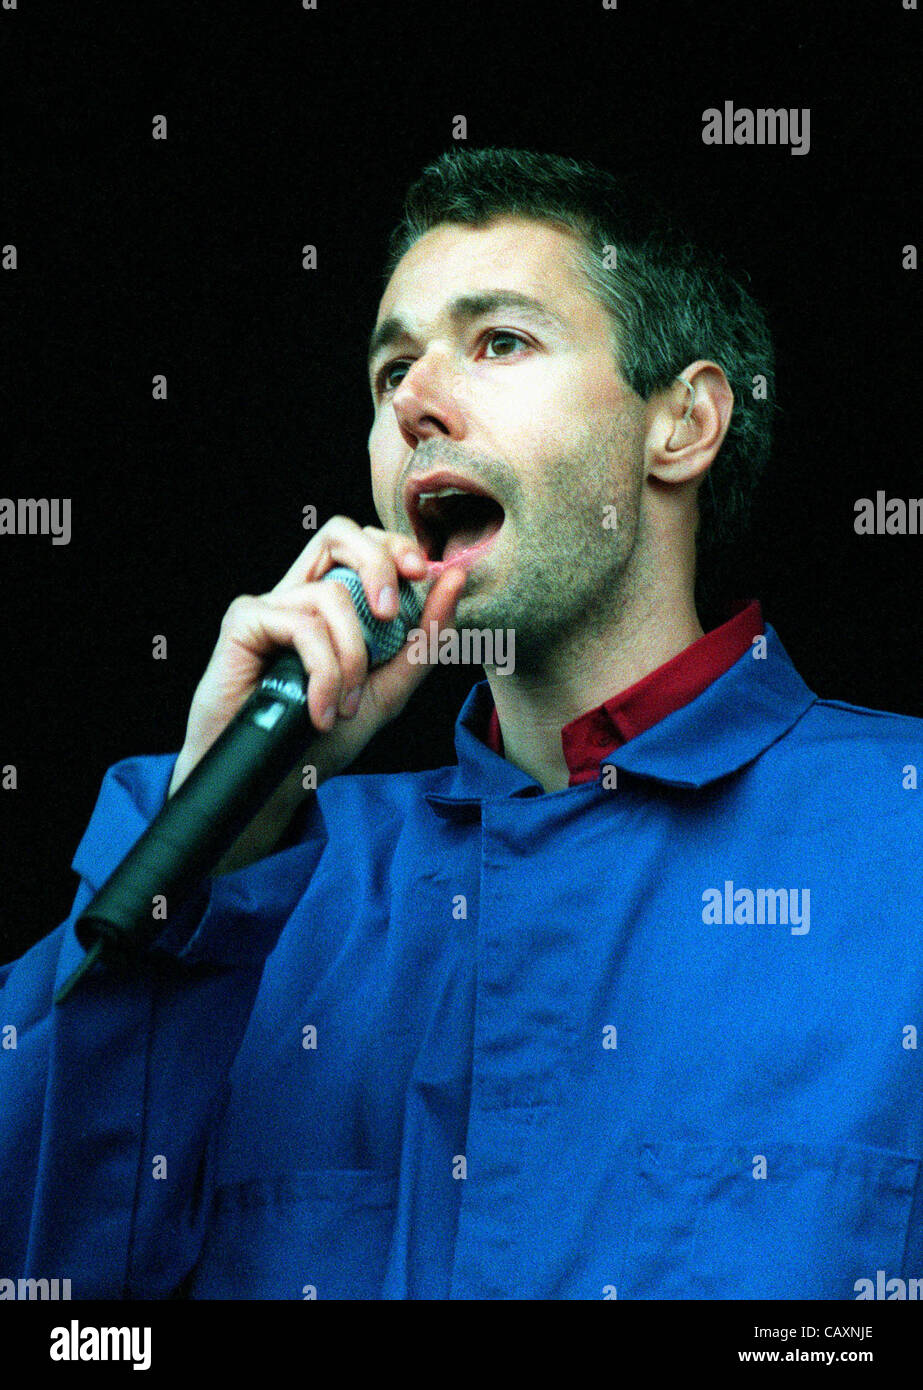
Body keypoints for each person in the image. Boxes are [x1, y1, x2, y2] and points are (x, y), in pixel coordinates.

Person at [1, 148, 921, 1301]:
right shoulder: (266, 885)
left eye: (498, 342)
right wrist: (201, 848)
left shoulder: (901, 839)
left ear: (681, 425)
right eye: (392, 365)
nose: (412, 400)